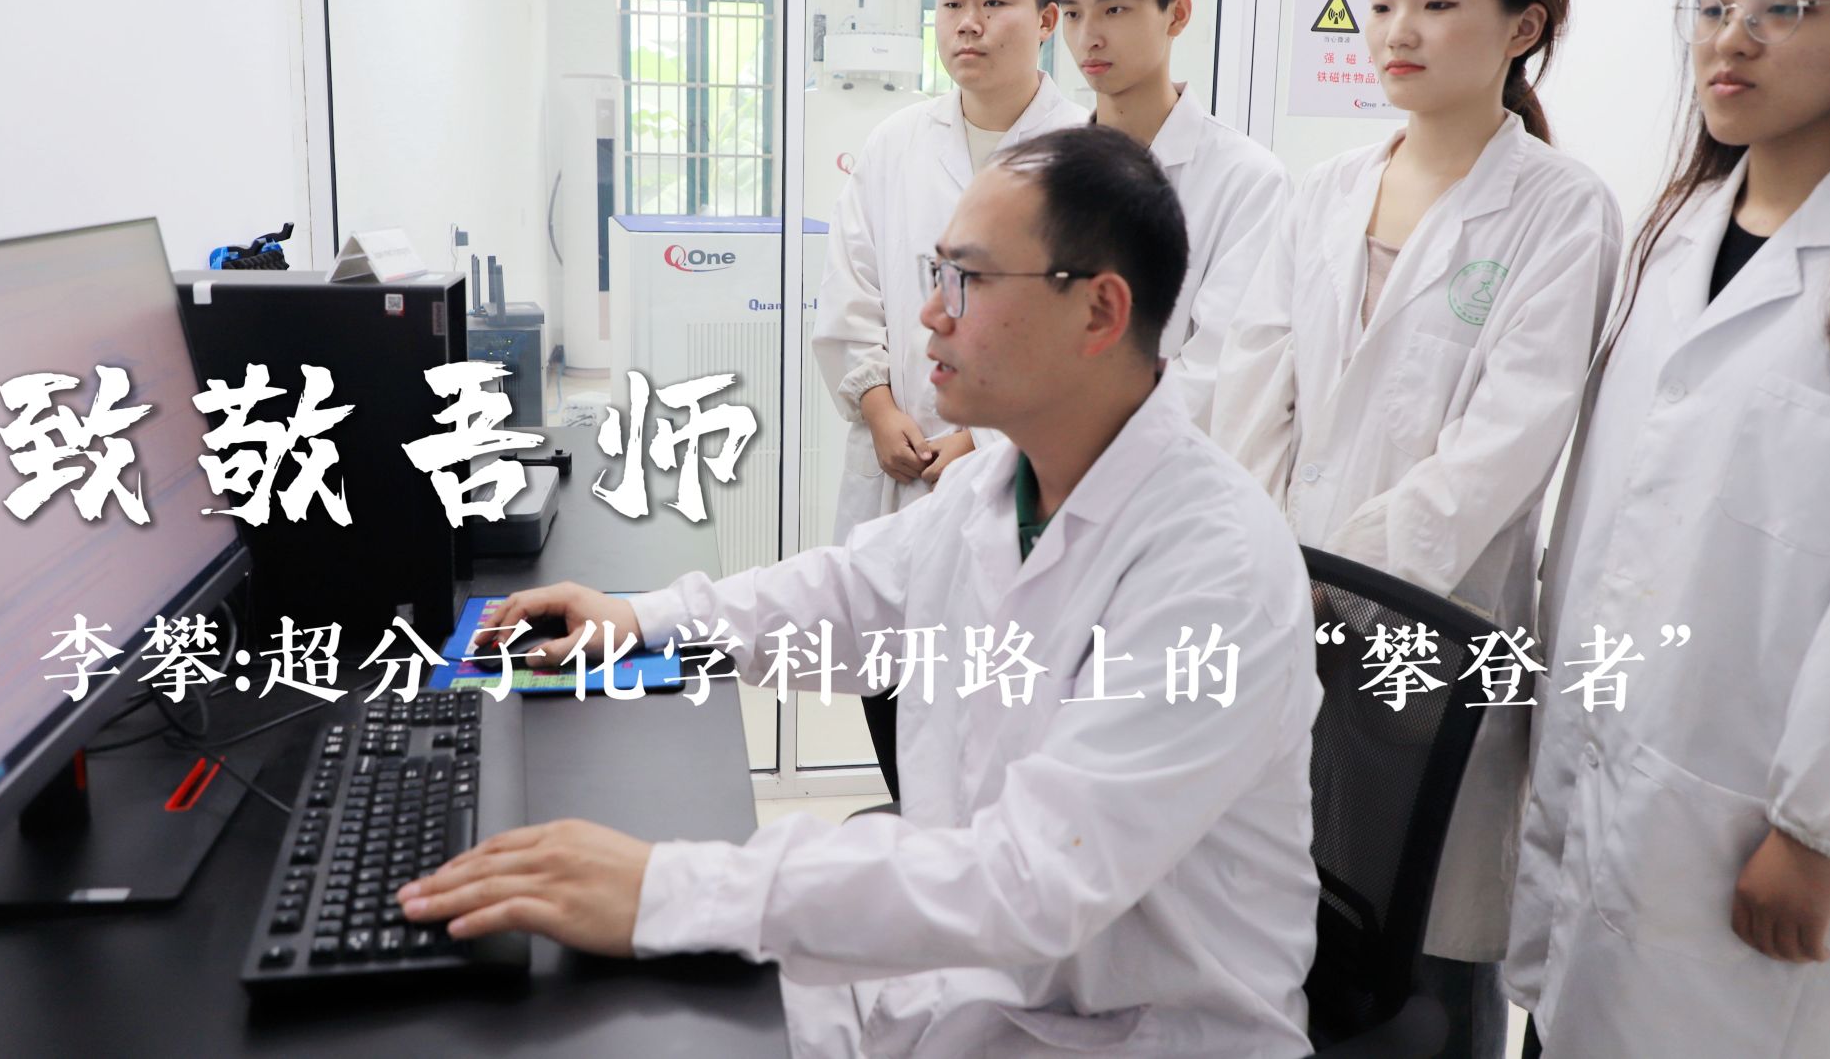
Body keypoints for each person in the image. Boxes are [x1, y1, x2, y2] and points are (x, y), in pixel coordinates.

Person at [400, 125, 1323, 1058]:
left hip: (1136, 1028)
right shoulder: (999, 482)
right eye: (936, 273)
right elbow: (848, 596)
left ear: (1099, 311)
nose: (929, 313)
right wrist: (643, 616)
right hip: (972, 984)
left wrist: (669, 888)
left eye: (966, 279)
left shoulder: (1215, 568)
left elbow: (1034, 879)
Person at [1505, 0, 1830, 1059]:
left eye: (1783, 6)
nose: (1730, 38)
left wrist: (1820, 828)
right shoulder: (1678, 226)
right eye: (1713, 4)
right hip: (1609, 756)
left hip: (1761, 812)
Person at [1209, 0, 1622, 1057]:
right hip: (1280, 609)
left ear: (1522, 25)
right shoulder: (1326, 191)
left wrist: (1336, 577)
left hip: (1433, 621)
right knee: (1283, 910)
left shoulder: (1559, 210)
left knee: (1427, 937)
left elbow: (1502, 446)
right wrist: (1261, 563)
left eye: (1436, 3)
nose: (1396, 29)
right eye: (1382, 0)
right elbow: (1253, 391)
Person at [814, 0, 1087, 546]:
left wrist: (986, 438)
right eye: (951, 2)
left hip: (1029, 467)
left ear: (1047, 19)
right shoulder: (895, 143)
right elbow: (851, 291)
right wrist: (878, 409)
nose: (968, 23)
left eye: (994, 2)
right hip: (897, 463)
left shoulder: (1087, 154)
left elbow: (1087, 339)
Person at [1040, 0, 1290, 428]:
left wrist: (1087, 434)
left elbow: (1220, 365)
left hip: (1167, 458)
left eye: (1114, 10)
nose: (1088, 37)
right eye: (1073, 14)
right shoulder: (1044, 169)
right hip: (1040, 455)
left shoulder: (1247, 181)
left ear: (1176, 14)